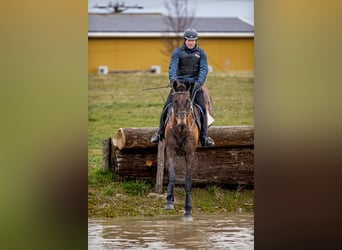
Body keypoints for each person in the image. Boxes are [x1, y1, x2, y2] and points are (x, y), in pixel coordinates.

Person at [151, 28, 215, 147]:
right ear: (185, 40)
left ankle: (204, 137)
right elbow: (173, 67)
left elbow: (203, 69)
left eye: (193, 40)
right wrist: (173, 81)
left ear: (196, 41)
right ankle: (160, 133)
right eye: (189, 40)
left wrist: (199, 82)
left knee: (202, 109)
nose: (191, 42)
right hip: (180, 86)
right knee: (167, 107)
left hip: (194, 85)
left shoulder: (201, 53)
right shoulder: (177, 52)